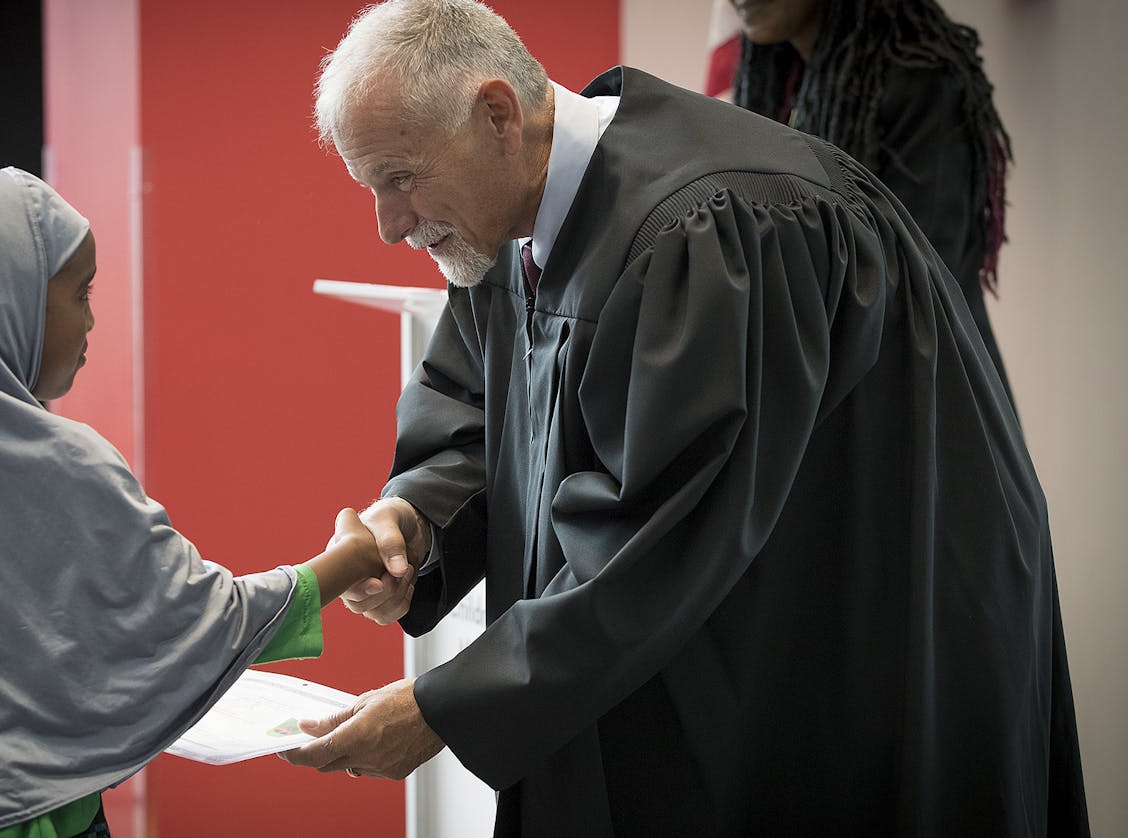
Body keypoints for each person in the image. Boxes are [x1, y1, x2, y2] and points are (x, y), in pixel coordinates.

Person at [279, 1, 1089, 835]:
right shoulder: (505, 228)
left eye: (400, 179)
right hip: (725, 621)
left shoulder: (708, 229)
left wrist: (442, 709)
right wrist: (414, 521)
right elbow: (476, 413)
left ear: (496, 115)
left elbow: (663, 531)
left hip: (856, 617)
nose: (389, 225)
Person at [0, 167, 383, 838]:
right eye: (79, 292)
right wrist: (347, 560)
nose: (91, 320)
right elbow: (199, 621)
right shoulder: (60, 469)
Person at [729, 0, 1015, 393]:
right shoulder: (779, 80)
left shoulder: (921, 79)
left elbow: (911, 297)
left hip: (928, 406)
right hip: (843, 403)